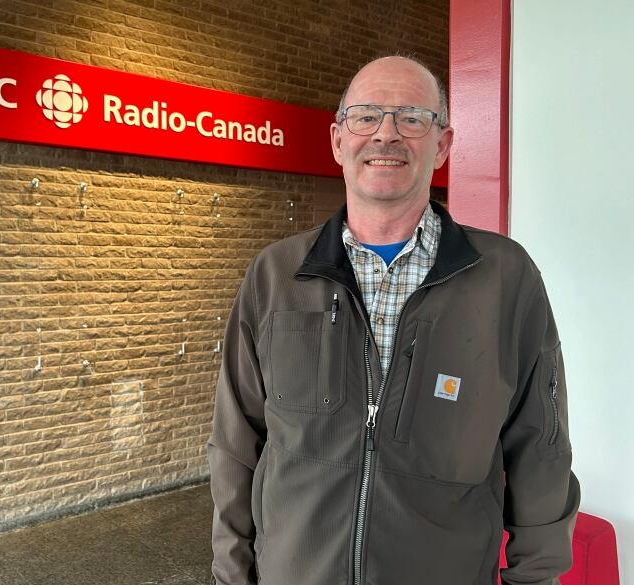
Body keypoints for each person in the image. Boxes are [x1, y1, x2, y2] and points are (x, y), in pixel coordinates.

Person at [208, 56, 580, 585]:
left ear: (443, 144)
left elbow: (541, 447)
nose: (386, 134)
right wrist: (233, 574)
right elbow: (235, 442)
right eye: (366, 116)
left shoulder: (505, 278)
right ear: (338, 140)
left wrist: (535, 578)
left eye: (412, 117)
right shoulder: (275, 275)